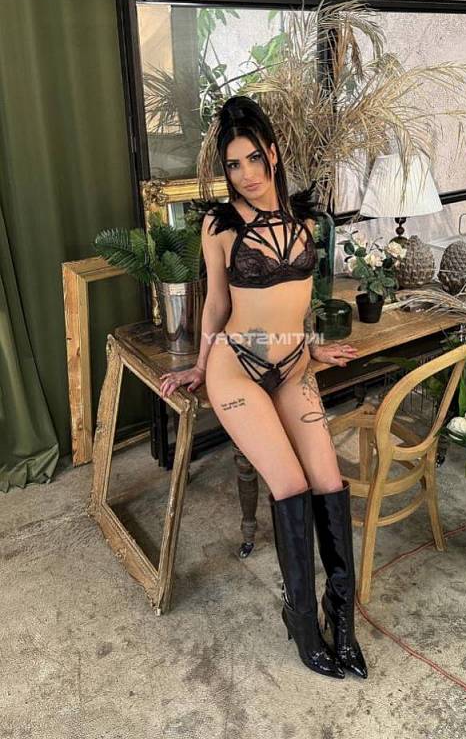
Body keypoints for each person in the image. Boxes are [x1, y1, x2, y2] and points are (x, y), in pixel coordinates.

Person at [159, 95, 367, 681]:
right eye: (233, 165)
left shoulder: (307, 219)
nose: (246, 174)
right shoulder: (219, 226)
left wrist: (312, 346)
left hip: (294, 362)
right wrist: (200, 365)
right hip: (236, 365)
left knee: (329, 480)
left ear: (272, 153)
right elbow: (217, 305)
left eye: (253, 158)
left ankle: (342, 616)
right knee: (291, 483)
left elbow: (295, 301)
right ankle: (301, 619)